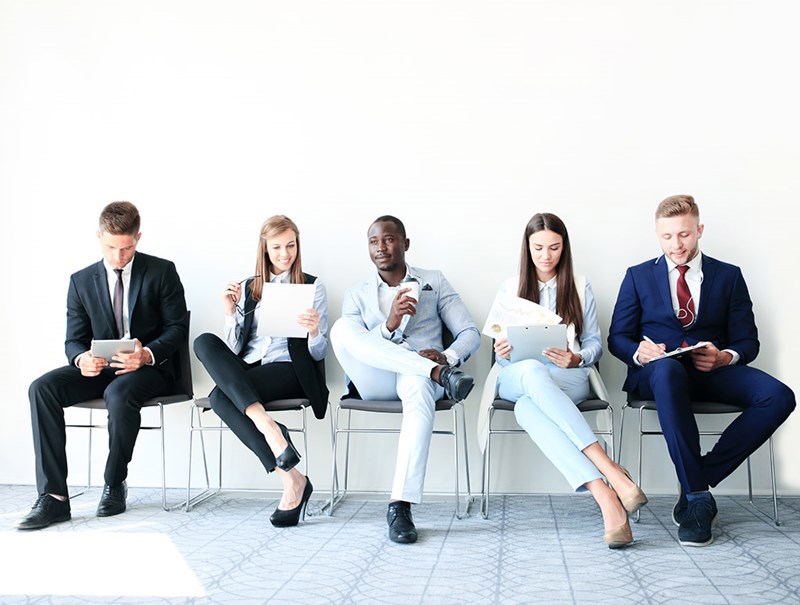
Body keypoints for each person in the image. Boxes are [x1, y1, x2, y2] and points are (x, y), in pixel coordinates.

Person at [608, 194, 796, 547]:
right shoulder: (637, 276)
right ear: (657, 235)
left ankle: (697, 478)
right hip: (657, 375)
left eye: (684, 234)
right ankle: (697, 498)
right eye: (667, 236)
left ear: (699, 230)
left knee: (779, 396)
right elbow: (617, 337)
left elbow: (748, 341)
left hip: (710, 372)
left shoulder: (729, 276)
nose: (676, 244)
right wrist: (639, 352)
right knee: (668, 372)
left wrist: (725, 357)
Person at [478, 212, 647, 549]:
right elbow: (501, 357)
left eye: (554, 248)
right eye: (538, 248)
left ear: (564, 248)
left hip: (567, 376)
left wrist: (577, 358)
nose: (546, 256)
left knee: (527, 409)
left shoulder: (580, 286)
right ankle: (611, 470)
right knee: (532, 371)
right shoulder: (510, 288)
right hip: (517, 375)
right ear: (527, 248)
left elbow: (595, 343)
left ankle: (606, 499)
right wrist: (502, 350)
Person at [19, 202, 189, 530]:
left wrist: (147, 353)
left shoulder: (162, 271)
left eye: (126, 248)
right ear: (98, 237)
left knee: (119, 393)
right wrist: (81, 359)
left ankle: (114, 483)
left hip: (149, 370)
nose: (118, 257)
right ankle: (54, 497)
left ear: (138, 238)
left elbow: (178, 328)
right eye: (111, 247)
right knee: (42, 388)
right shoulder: (81, 280)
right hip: (101, 369)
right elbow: (73, 340)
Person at [330, 215, 480, 544]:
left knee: (419, 387)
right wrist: (389, 325)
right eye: (374, 241)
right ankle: (437, 374)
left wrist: (447, 357)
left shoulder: (433, 281)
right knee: (341, 328)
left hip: (418, 376)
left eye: (389, 239)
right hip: (375, 378)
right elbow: (356, 346)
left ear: (405, 243)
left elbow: (470, 332)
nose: (381, 247)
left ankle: (400, 506)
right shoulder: (356, 294)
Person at [193, 215, 328, 527]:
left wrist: (314, 331)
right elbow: (233, 349)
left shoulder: (312, 285)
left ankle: (285, 467)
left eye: (290, 246)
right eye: (277, 247)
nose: (285, 254)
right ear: (265, 249)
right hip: (251, 368)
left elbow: (319, 353)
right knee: (203, 342)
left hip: (290, 370)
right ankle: (285, 462)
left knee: (220, 398)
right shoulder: (249, 287)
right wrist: (230, 313)